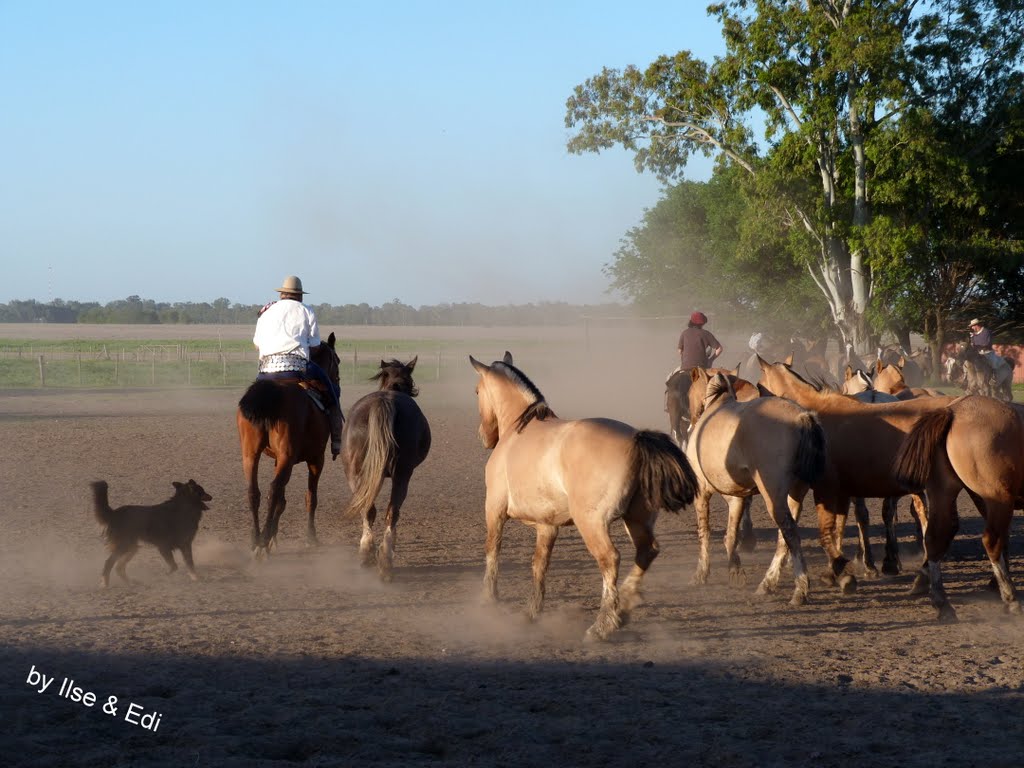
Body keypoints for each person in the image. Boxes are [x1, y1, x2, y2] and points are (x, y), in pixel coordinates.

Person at [253, 275, 343, 459]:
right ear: (300, 296)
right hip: (296, 367)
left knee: (254, 397)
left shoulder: (267, 311)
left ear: (282, 294)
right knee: (333, 391)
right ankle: (336, 440)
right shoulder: (306, 310)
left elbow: (256, 344)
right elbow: (316, 346)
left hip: (266, 370)